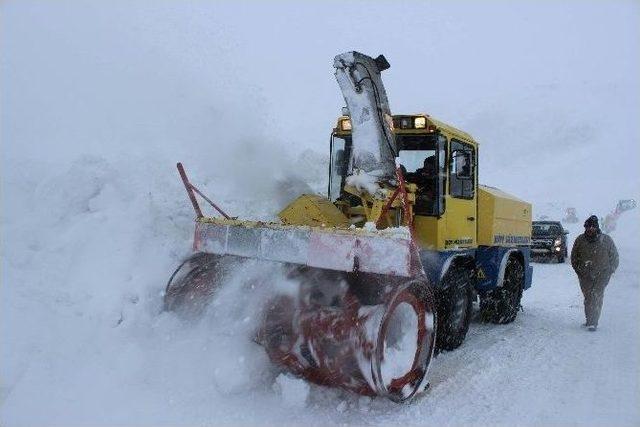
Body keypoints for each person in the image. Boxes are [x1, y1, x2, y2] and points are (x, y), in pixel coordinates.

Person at [570, 215, 619, 331]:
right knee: (588, 298)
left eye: (593, 226)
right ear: (585, 227)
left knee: (597, 296)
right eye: (589, 226)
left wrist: (610, 270)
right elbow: (574, 257)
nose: (591, 229)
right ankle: (589, 320)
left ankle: (594, 322)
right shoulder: (580, 240)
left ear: (597, 227)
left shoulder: (606, 240)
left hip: (602, 275)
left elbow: (615, 257)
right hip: (585, 275)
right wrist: (579, 270)